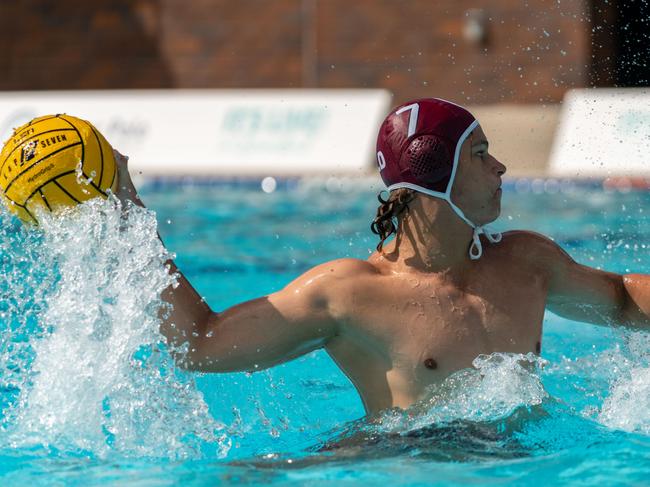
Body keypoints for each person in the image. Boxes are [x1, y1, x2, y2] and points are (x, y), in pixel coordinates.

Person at [114, 98, 650, 416]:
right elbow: (200, 345)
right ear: (432, 172)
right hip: (403, 463)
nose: (501, 167)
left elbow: (626, 301)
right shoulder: (348, 293)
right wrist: (127, 216)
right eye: (481, 153)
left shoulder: (528, 262)